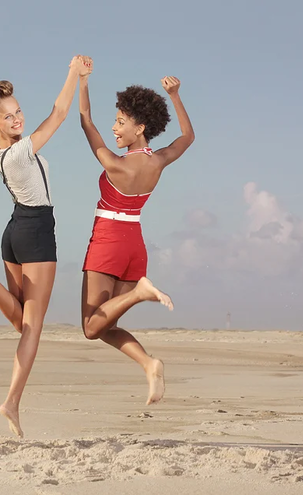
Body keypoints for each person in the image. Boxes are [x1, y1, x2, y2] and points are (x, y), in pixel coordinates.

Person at [0, 37, 91, 437]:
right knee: (32, 328)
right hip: (36, 233)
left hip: (13, 233)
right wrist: (73, 73)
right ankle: (11, 401)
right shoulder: (20, 153)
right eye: (8, 116)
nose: (16, 119)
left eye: (18, 112)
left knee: (21, 321)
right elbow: (59, 113)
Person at [78, 60, 195, 406]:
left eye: (120, 122)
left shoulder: (115, 164)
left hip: (108, 240)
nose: (114, 128)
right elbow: (187, 137)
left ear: (139, 127)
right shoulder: (159, 161)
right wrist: (175, 95)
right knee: (106, 325)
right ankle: (149, 364)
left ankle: (141, 293)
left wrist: (82, 81)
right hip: (135, 245)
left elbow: (85, 121)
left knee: (90, 327)